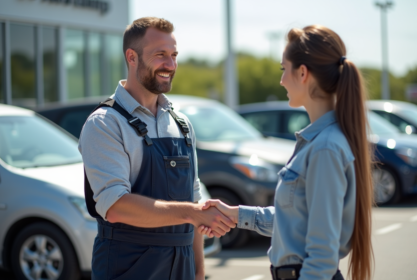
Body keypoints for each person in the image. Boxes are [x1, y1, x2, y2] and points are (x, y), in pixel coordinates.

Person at [198, 25, 374, 280]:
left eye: (284, 69)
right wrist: (235, 215)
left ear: (302, 73)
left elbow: (321, 256)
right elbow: (295, 220)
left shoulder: (325, 148)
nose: (281, 80)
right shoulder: (319, 142)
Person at [80, 17, 234, 280]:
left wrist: (198, 271)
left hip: (182, 269)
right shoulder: (105, 124)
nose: (171, 65)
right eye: (160, 55)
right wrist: (192, 213)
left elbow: (194, 199)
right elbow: (116, 206)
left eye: (174, 55)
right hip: (128, 269)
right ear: (132, 57)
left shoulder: (182, 125)